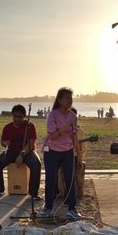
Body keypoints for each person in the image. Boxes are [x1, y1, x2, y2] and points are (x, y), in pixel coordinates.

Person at [38, 87, 82, 220]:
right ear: (59, 100)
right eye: (67, 98)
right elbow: (52, 137)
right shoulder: (52, 115)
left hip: (67, 151)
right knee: (51, 179)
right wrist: (65, 126)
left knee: (70, 178)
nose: (70, 101)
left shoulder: (73, 116)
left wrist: (78, 155)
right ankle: (48, 207)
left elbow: (74, 137)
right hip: (52, 151)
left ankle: (72, 208)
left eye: (71, 98)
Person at [0, 105, 41, 200]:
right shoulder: (7, 127)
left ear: (24, 116)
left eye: (20, 116)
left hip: (27, 151)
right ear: (12, 116)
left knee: (36, 164)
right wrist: (5, 143)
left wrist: (21, 155)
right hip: (11, 151)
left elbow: (31, 143)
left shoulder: (30, 126)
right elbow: (2, 142)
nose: (17, 119)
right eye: (15, 116)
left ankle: (33, 193)